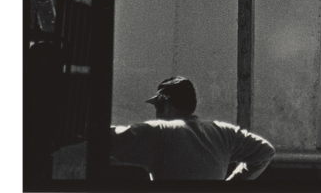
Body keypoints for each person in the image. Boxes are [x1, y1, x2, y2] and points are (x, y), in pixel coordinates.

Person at [108, 75, 275, 180]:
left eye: (157, 106)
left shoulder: (158, 132)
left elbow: (104, 138)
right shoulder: (224, 132)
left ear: (165, 104)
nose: (157, 114)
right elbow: (265, 152)